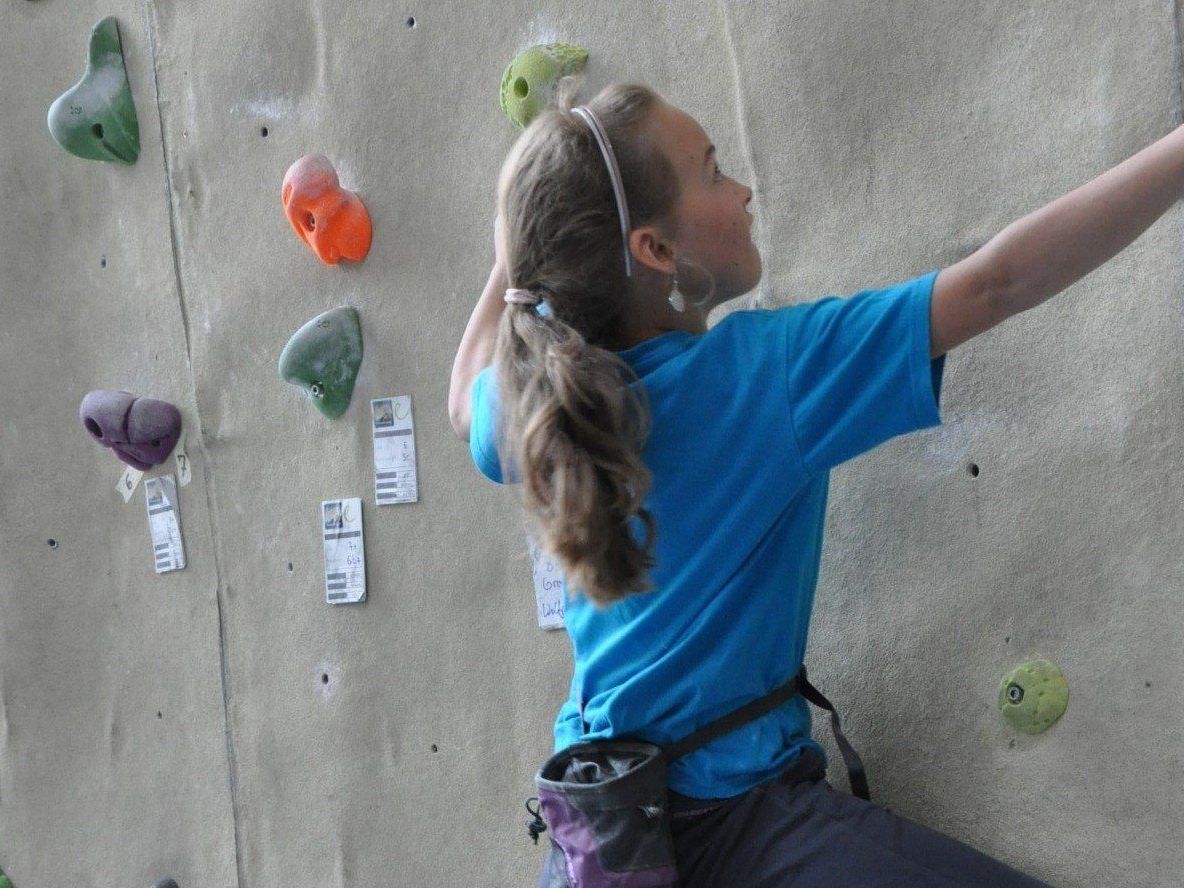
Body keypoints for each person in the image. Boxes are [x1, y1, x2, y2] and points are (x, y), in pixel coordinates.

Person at [449, 77, 1181, 884]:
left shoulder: (536, 405)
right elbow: (996, 282)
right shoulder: (761, 376)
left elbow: (461, 400)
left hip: (606, 831)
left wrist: (516, 255)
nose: (744, 189)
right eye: (715, 172)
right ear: (655, 250)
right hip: (736, 825)